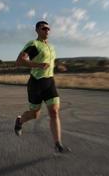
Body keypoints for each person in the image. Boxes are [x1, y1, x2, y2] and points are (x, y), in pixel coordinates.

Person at [14, 21, 71, 153]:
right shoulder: (34, 45)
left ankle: (58, 144)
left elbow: (50, 63)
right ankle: (20, 121)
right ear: (37, 30)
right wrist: (38, 65)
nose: (47, 31)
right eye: (44, 28)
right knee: (35, 114)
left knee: (54, 112)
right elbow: (19, 61)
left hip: (50, 82)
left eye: (49, 29)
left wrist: (58, 66)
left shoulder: (51, 47)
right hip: (36, 83)